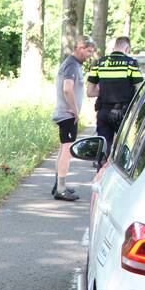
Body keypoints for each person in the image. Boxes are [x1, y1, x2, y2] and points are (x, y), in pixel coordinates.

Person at [51, 35, 96, 201]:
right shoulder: (71, 65)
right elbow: (67, 89)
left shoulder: (73, 64)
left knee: (64, 149)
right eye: (88, 51)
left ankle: (58, 184)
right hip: (67, 114)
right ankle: (61, 188)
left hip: (65, 114)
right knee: (67, 150)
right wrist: (74, 110)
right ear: (79, 47)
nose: (90, 55)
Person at [86, 36, 143, 162]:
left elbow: (90, 92)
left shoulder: (99, 63)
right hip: (123, 113)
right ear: (127, 48)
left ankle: (101, 170)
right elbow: (140, 90)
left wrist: (105, 91)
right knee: (124, 150)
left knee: (103, 151)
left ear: (114, 47)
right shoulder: (131, 64)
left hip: (103, 112)